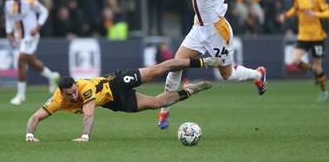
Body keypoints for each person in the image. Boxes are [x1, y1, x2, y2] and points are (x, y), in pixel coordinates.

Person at [158, 0, 267, 129]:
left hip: (217, 31)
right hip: (198, 28)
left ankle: (258, 75)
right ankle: (164, 111)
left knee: (227, 75)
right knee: (175, 64)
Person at [25, 56, 221, 142]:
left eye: (74, 91)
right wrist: (29, 135)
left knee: (158, 70)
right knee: (157, 103)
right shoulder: (57, 99)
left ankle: (204, 62)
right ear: (62, 93)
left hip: (116, 81)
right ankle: (190, 90)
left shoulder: (84, 89)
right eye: (70, 95)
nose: (74, 95)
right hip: (114, 102)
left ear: (77, 85)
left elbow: (89, 114)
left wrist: (84, 137)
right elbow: (35, 117)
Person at [279, 0, 329, 102]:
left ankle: (324, 92)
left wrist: (316, 14)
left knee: (318, 66)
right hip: (303, 35)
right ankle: (313, 71)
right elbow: (296, 9)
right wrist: (286, 15)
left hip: (317, 36)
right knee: (294, 60)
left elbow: (328, 13)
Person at [5, 0, 60, 105]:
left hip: (31, 35)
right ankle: (51, 76)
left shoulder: (29, 0)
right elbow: (9, 19)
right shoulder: (8, 4)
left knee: (21, 61)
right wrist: (9, 34)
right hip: (19, 37)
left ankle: (20, 96)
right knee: (32, 62)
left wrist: (38, 27)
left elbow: (44, 11)